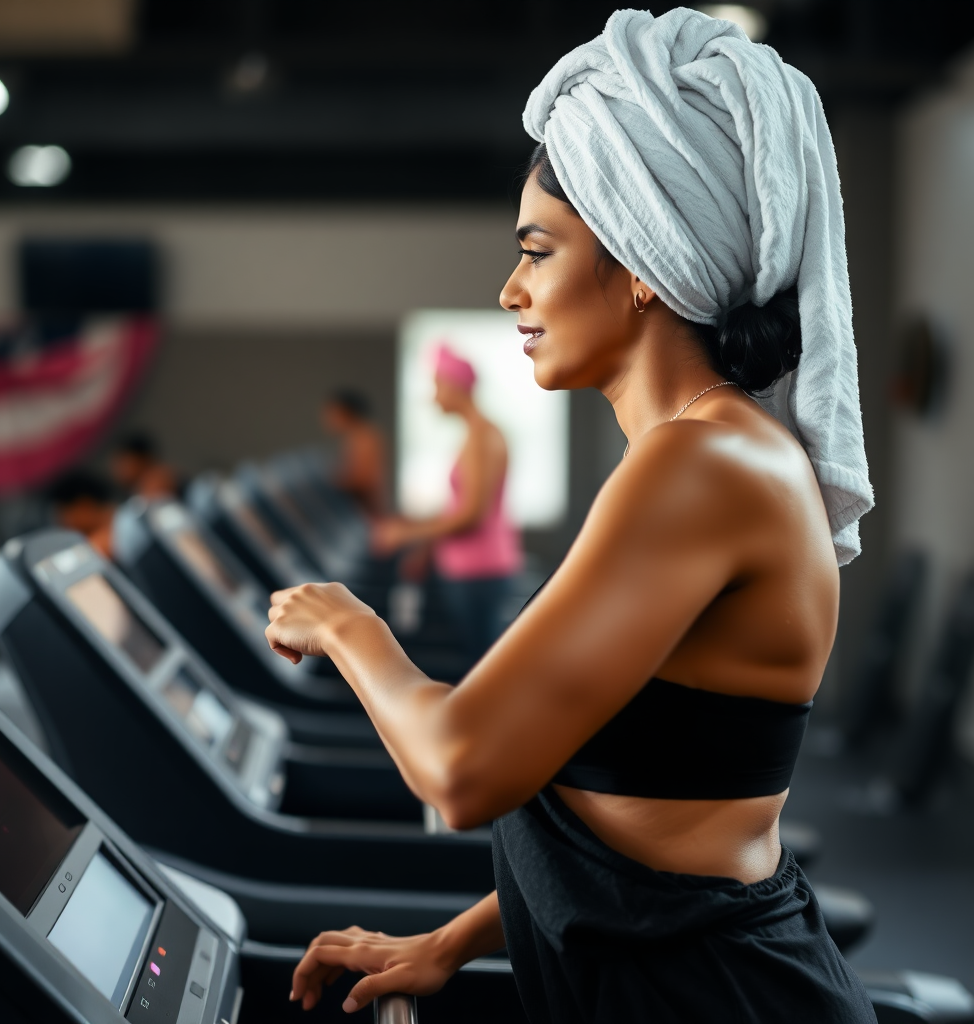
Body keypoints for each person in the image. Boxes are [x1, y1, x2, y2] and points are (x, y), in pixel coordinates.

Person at [266, 9, 876, 1022]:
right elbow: (647, 825)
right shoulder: (706, 453)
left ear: (639, 260)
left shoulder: (700, 464)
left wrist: (347, 626)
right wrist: (449, 941)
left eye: (538, 251)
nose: (511, 290)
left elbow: (460, 769)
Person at [372, 346, 522, 664]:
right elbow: (456, 508)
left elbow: (471, 516)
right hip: (467, 571)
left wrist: (405, 535)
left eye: (437, 386)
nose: (434, 397)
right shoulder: (473, 435)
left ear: (455, 385)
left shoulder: (483, 437)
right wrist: (424, 546)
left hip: (480, 572)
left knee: (483, 666)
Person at [321, 389, 388, 517]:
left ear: (346, 412)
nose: (327, 419)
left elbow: (363, 480)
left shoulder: (365, 437)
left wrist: (326, 481)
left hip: (366, 516)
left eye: (332, 413)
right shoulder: (354, 437)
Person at [46, 470, 116, 559]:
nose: (61, 520)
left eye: (63, 512)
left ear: (84, 505)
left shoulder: (99, 546)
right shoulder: (125, 519)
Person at [109, 431, 179, 500]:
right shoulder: (134, 497)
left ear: (141, 459)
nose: (117, 469)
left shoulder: (167, 479)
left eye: (122, 461)